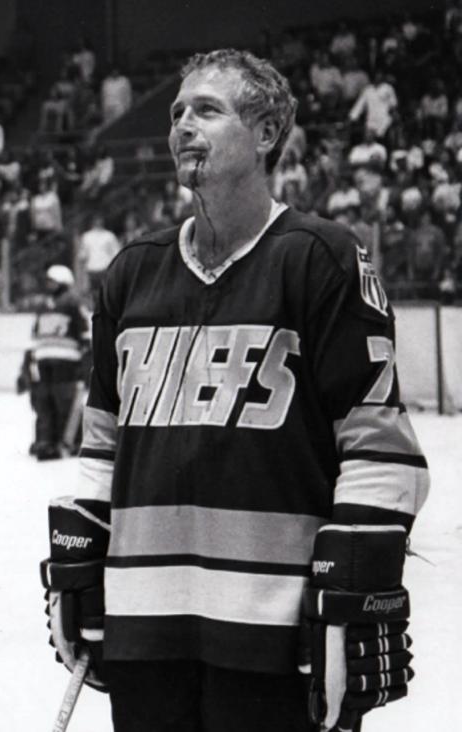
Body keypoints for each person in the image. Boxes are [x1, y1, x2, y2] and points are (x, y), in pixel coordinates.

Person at [41, 49, 429, 732]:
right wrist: (79, 563)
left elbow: (378, 450)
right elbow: (102, 446)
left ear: (267, 133)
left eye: (207, 110)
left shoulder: (321, 259)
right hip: (143, 630)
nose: (182, 126)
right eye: (176, 113)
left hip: (275, 638)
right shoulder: (131, 273)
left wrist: (350, 595)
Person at [26, 264, 87, 460]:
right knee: (45, 400)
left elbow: (84, 332)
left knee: (62, 400)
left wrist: (86, 359)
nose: (49, 285)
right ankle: (49, 440)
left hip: (64, 360)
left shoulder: (71, 303)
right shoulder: (46, 304)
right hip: (47, 359)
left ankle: (65, 440)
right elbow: (36, 333)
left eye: (52, 281)